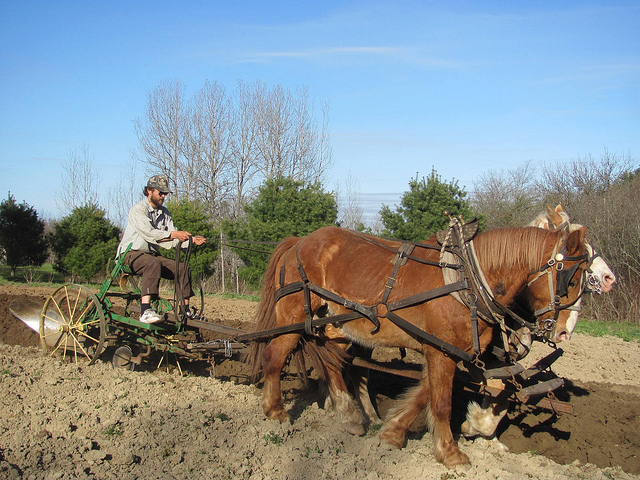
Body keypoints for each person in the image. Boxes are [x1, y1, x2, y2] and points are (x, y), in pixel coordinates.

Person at [116, 175, 206, 323]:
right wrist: (174, 235)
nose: (163, 196)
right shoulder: (137, 210)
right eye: (160, 193)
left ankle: (185, 311)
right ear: (149, 191)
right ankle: (145, 311)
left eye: (165, 193)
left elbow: (172, 239)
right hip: (130, 255)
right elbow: (150, 234)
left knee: (182, 268)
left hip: (151, 255)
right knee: (153, 263)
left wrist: (191, 241)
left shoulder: (165, 213)